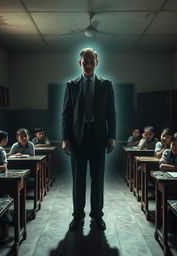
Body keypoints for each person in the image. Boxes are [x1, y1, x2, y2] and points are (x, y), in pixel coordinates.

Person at [62, 48, 116, 231]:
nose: (88, 64)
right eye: (85, 61)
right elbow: (66, 114)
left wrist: (111, 137)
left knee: (97, 178)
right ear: (80, 63)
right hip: (78, 138)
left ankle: (97, 216)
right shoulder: (71, 85)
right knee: (78, 179)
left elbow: (111, 113)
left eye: (92, 61)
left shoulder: (106, 84)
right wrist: (65, 138)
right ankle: (78, 216)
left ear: (97, 62)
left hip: (98, 137)